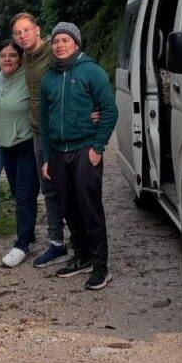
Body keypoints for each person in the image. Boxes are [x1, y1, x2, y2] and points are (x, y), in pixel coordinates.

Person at [39, 22, 119, 291]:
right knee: (68, 207)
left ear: (76, 43)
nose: (59, 45)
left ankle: (100, 266)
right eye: (55, 41)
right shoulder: (48, 77)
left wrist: (98, 147)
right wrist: (48, 157)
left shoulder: (91, 72)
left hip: (85, 149)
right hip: (59, 153)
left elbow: (109, 111)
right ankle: (81, 256)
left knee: (89, 208)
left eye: (65, 40)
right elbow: (44, 118)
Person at [11, 12, 68, 268]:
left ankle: (82, 239)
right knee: (49, 189)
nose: (22, 36)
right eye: (17, 33)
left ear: (37, 29)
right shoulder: (25, 57)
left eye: (26, 30)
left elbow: (77, 73)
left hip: (63, 132)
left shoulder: (53, 52)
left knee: (70, 187)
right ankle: (57, 242)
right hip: (38, 132)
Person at [0, 40, 38, 268]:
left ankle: (22, 245)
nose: (7, 59)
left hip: (27, 144)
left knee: (25, 195)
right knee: (17, 194)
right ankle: (29, 233)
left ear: (20, 58)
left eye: (12, 55)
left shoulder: (28, 78)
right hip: (6, 146)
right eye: (3, 55)